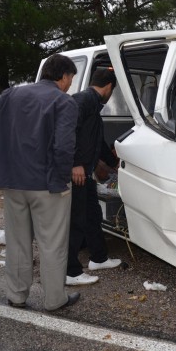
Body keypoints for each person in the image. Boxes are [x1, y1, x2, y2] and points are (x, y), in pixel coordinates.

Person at [0, 54, 81, 310]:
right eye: (70, 79)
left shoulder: (12, 94)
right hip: (47, 185)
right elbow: (64, 146)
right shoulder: (63, 102)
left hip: (12, 181)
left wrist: (2, 157)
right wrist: (60, 178)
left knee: (17, 242)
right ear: (64, 76)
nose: (70, 85)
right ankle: (55, 300)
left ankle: (17, 295)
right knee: (52, 243)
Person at [66, 68, 122, 285]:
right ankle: (70, 272)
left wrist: (114, 163)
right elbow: (67, 131)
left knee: (92, 215)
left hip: (85, 174)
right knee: (76, 221)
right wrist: (76, 163)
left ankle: (98, 258)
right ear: (109, 87)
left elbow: (96, 143)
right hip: (75, 172)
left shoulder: (93, 105)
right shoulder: (83, 100)